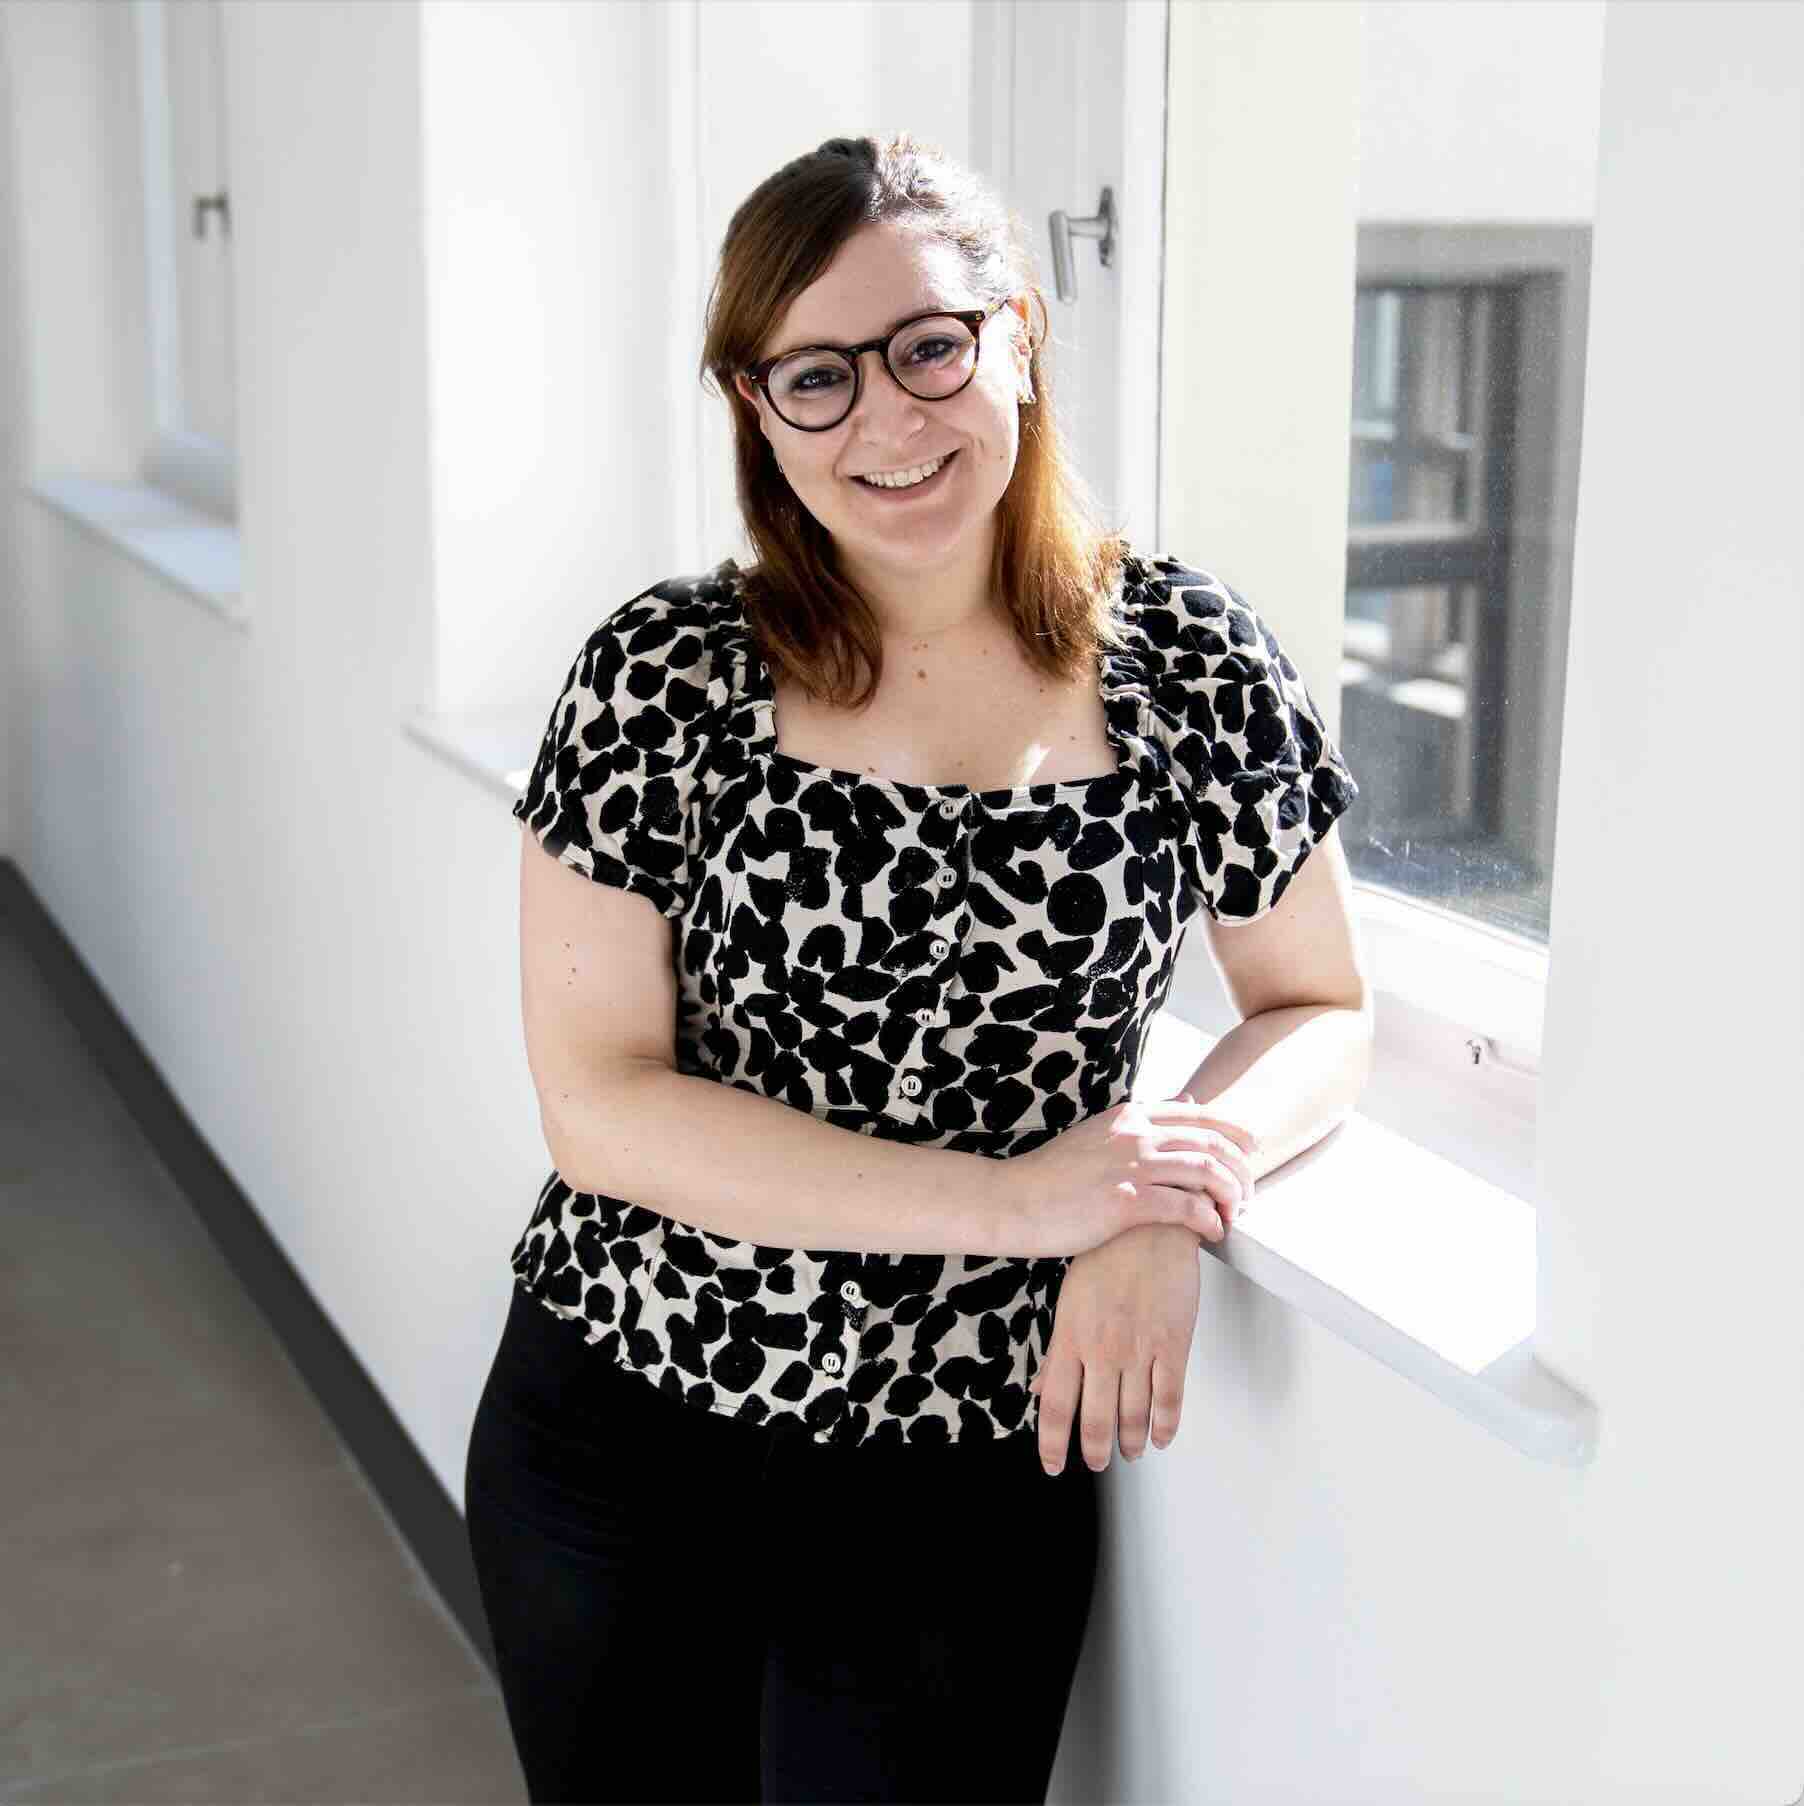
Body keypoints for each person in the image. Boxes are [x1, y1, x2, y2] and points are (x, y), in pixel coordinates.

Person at [464, 131, 1364, 1806]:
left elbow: (1320, 1005)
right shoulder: (661, 674)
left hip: (961, 1463)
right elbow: (601, 1107)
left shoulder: (1189, 663)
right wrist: (1020, 1202)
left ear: (1018, 332)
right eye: (816, 374)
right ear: (755, 408)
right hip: (623, 1426)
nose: (888, 417)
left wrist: (1171, 1187)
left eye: (930, 344)